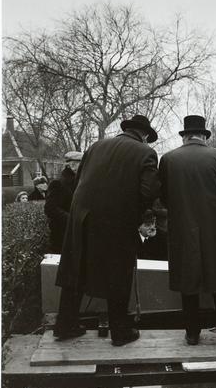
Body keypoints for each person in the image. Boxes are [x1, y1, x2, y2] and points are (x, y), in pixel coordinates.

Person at [54, 115, 160, 347]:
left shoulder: (95, 146)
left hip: (81, 215)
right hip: (116, 220)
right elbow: (148, 192)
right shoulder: (146, 153)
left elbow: (79, 181)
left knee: (76, 267)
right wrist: (135, 216)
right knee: (118, 272)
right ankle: (120, 331)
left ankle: (65, 324)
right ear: (144, 135)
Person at [159, 115, 216, 350]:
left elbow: (163, 196)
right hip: (215, 227)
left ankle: (192, 333)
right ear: (204, 136)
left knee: (188, 281)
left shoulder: (168, 159)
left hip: (182, 227)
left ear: (184, 136)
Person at [44, 151, 83, 253]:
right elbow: (50, 209)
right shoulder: (58, 183)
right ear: (72, 165)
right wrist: (72, 220)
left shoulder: (80, 182)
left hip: (75, 234)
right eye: (81, 164)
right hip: (62, 236)